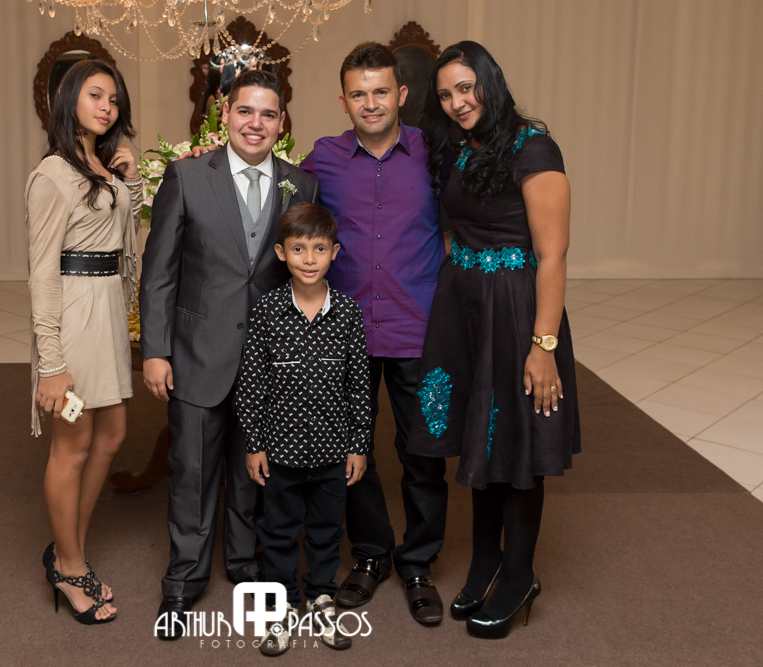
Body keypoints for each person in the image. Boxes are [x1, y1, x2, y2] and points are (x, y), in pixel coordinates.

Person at [140, 69, 319, 640]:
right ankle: (183, 581)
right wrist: (155, 351)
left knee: (254, 474)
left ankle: (245, 568)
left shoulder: (301, 185)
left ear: (282, 123)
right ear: (225, 114)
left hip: (269, 363)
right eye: (245, 111)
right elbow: (159, 272)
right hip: (197, 353)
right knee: (191, 473)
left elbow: (305, 274)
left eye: (268, 114)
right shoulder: (188, 176)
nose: (255, 124)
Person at [411, 41, 580, 639]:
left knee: (514, 440)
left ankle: (519, 573)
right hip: (464, 307)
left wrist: (543, 346)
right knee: (476, 436)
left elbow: (553, 254)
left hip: (515, 311)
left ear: (490, 81)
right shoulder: (461, 146)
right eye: (445, 94)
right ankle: (485, 561)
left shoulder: (533, 146)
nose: (457, 103)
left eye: (466, 87)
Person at [299, 42, 449, 625]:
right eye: (358, 94)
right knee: (348, 452)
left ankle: (418, 561)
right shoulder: (324, 157)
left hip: (420, 331)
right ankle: (370, 553)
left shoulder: (434, 152)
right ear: (343, 100)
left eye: (380, 91)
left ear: (401, 95)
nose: (370, 103)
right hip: (346, 335)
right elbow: (270, 190)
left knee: (424, 452)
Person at [26, 59, 144, 625]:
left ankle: (67, 545)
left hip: (108, 312)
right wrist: (51, 364)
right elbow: (42, 272)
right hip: (74, 317)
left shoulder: (102, 164)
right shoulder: (53, 174)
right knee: (71, 446)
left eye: (114, 100)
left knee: (113, 433)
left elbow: (123, 232)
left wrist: (131, 181)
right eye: (96, 95)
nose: (107, 107)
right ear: (69, 98)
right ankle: (70, 566)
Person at [237, 203, 369, 656]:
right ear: (281, 253)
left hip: (333, 453)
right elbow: (252, 383)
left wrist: (358, 445)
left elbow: (359, 387)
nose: (309, 259)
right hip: (280, 454)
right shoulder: (268, 312)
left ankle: (322, 596)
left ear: (335, 252)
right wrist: (254, 444)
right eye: (298, 249)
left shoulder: (348, 314)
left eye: (319, 249)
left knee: (327, 530)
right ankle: (284, 605)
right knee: (278, 530)